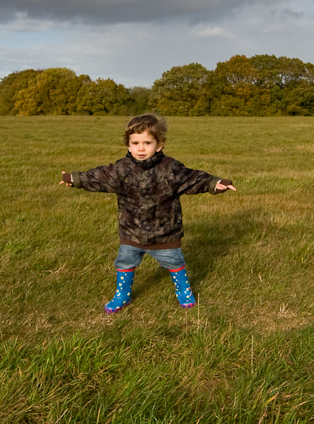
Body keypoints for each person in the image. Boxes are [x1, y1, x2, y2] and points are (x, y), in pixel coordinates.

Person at [60, 113, 236, 313]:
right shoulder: (121, 169)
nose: (141, 148)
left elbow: (193, 178)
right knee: (125, 262)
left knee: (174, 261)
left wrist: (215, 183)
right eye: (135, 143)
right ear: (128, 144)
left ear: (159, 145)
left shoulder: (170, 169)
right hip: (131, 231)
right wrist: (75, 178)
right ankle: (122, 295)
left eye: (147, 142)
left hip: (165, 232)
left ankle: (183, 291)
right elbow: (99, 177)